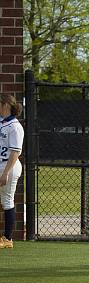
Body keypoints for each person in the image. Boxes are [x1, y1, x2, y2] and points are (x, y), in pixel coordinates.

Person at [0, 94, 24, 249]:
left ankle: (8, 238)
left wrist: (5, 173)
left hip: (9, 167)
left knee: (7, 202)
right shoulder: (2, 122)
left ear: (6, 105)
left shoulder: (15, 126)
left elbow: (15, 152)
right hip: (1, 165)